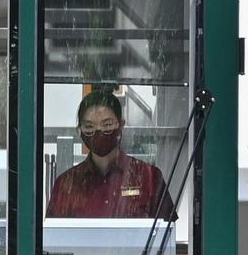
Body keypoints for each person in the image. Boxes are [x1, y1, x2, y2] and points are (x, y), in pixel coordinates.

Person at [46, 90, 171, 218]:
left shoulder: (149, 177)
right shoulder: (66, 184)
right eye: (89, 126)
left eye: (107, 125)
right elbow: (54, 229)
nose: (99, 131)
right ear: (79, 130)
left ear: (121, 125)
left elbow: (168, 228)